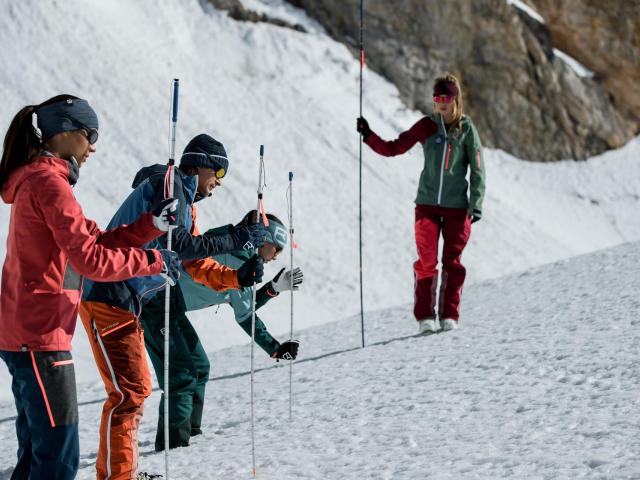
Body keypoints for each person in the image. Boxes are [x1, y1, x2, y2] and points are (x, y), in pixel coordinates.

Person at [0, 95, 180, 480]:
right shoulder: (49, 184)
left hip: (28, 334)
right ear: (65, 133)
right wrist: (155, 262)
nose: (93, 146)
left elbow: (94, 239)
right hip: (41, 338)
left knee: (36, 453)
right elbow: (91, 261)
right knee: (59, 458)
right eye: (90, 134)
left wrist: (152, 226)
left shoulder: (43, 180)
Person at [79, 133, 265, 480]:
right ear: (201, 166)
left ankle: (123, 472)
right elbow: (179, 242)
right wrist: (237, 238)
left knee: (134, 391)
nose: (219, 184)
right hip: (109, 295)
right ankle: (119, 476)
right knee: (131, 393)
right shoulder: (171, 183)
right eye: (218, 174)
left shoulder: (183, 199)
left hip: (123, 300)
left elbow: (191, 260)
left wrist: (238, 277)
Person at [140, 210, 302, 451]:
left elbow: (242, 300)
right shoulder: (238, 260)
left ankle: (190, 434)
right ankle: (174, 446)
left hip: (170, 305)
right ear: (264, 240)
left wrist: (272, 288)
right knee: (181, 375)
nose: (276, 256)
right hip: (157, 302)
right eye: (276, 249)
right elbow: (245, 313)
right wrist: (275, 349)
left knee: (199, 366)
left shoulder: (234, 244)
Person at [357, 73, 486, 334]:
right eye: (437, 97)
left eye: (446, 97)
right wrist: (369, 135)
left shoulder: (466, 129)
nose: (441, 102)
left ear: (455, 99)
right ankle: (425, 317)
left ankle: (449, 315)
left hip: (457, 208)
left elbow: (478, 168)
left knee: (453, 263)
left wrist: (476, 203)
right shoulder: (427, 126)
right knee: (426, 261)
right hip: (426, 205)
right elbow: (393, 148)